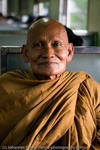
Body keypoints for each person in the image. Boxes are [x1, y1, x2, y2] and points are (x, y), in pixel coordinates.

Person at [0, 18, 100, 150]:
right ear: (25, 53)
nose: (48, 53)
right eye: (38, 45)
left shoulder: (87, 87)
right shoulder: (6, 86)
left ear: (69, 52)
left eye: (56, 44)